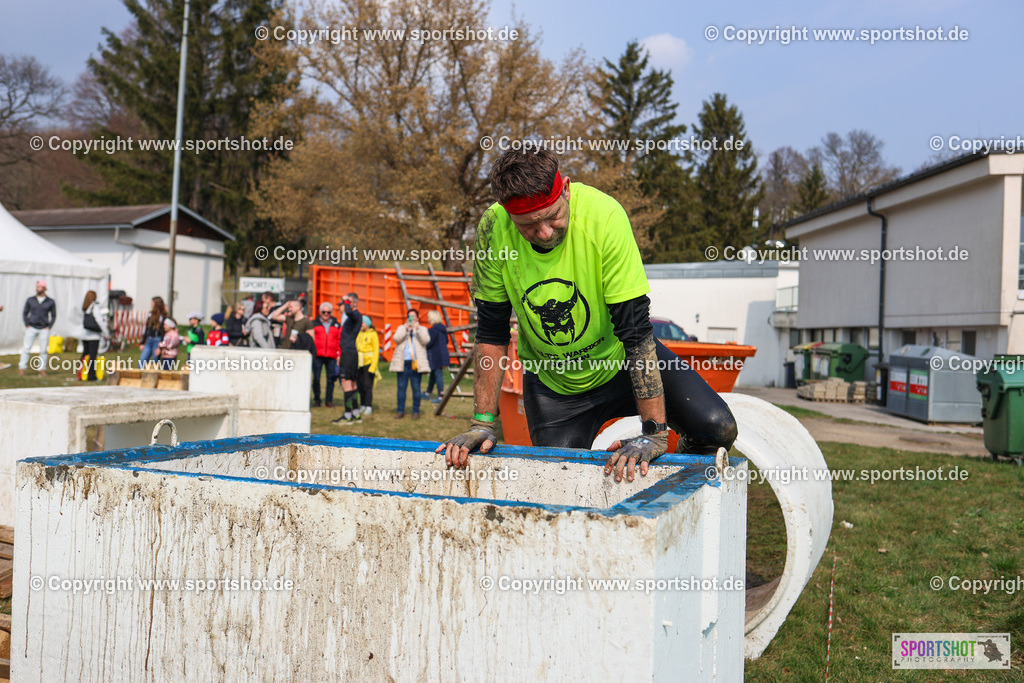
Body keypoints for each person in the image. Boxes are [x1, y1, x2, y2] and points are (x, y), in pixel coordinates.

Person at [437, 149, 737, 483]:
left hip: (620, 362)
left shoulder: (604, 216)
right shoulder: (493, 228)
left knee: (717, 429)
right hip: (555, 383)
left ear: (565, 189)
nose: (546, 232)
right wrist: (482, 422)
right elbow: (491, 332)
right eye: (529, 225)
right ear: (509, 215)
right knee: (561, 484)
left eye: (552, 216)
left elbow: (635, 332)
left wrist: (653, 432)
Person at [390, 308, 430, 419]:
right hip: (403, 362)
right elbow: (396, 339)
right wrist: (405, 329)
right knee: (401, 388)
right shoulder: (401, 328)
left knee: (416, 388)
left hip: (415, 364)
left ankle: (416, 411)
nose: (411, 319)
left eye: (413, 316)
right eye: (409, 316)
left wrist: (417, 329)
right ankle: (400, 411)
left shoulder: (422, 329)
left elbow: (426, 340)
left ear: (417, 318)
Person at [332, 293, 364, 423]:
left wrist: (345, 302)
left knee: (346, 383)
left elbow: (349, 312)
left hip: (349, 354)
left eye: (348, 302)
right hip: (349, 353)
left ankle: (347, 415)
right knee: (352, 384)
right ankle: (355, 413)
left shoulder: (355, 315)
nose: (344, 304)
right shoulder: (351, 318)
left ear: (355, 303)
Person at [19, 280, 56, 376]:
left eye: (39, 286)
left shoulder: (50, 301)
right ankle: (22, 367)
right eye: (36, 286)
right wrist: (27, 324)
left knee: (43, 350)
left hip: (44, 328)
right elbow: (25, 313)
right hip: (31, 327)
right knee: (26, 348)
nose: (37, 288)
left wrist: (49, 326)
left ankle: (42, 369)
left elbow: (54, 315)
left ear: (44, 288)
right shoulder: (30, 300)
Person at [311, 302, 341, 408]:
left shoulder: (336, 324)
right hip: (318, 355)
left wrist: (338, 354)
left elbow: (339, 340)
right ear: (320, 312)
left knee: (331, 379)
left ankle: (329, 400)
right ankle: (317, 399)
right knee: (316, 378)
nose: (326, 314)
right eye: (324, 312)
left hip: (331, 355)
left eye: (328, 312)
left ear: (331, 313)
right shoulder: (314, 323)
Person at [78, 290, 109, 381]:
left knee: (85, 355)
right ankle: (91, 376)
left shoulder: (85, 307)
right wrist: (106, 332)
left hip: (85, 335)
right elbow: (99, 320)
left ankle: (81, 373)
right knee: (92, 357)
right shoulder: (94, 307)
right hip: (94, 336)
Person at [355, 315, 379, 416]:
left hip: (368, 363)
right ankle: (363, 404)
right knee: (360, 385)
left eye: (363, 323)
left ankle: (368, 406)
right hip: (359, 363)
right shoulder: (359, 333)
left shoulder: (373, 335)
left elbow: (376, 351)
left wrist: (373, 367)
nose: (361, 325)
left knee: (367, 386)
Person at [425, 309, 450, 403]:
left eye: (428, 317)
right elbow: (446, 341)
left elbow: (429, 343)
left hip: (435, 355)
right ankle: (428, 393)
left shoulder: (432, 330)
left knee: (438, 375)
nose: (427, 319)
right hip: (443, 354)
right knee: (433, 374)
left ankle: (441, 395)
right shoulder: (443, 329)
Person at [138, 296, 168, 368]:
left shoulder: (163, 316)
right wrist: (142, 343)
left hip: (157, 341)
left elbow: (163, 333)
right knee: (142, 360)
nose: (151, 304)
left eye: (152, 303)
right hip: (149, 340)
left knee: (155, 362)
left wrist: (160, 347)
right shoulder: (150, 315)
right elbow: (147, 329)